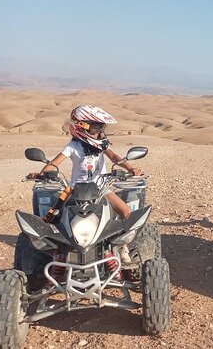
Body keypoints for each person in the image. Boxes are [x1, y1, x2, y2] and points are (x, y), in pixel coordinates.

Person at [29, 104, 143, 261]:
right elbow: (55, 163)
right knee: (52, 218)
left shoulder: (103, 144)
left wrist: (130, 168)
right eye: (95, 127)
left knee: (126, 213)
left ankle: (122, 247)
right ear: (81, 126)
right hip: (75, 190)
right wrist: (41, 174)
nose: (99, 131)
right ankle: (56, 252)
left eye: (100, 127)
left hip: (102, 188)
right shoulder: (73, 146)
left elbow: (115, 157)